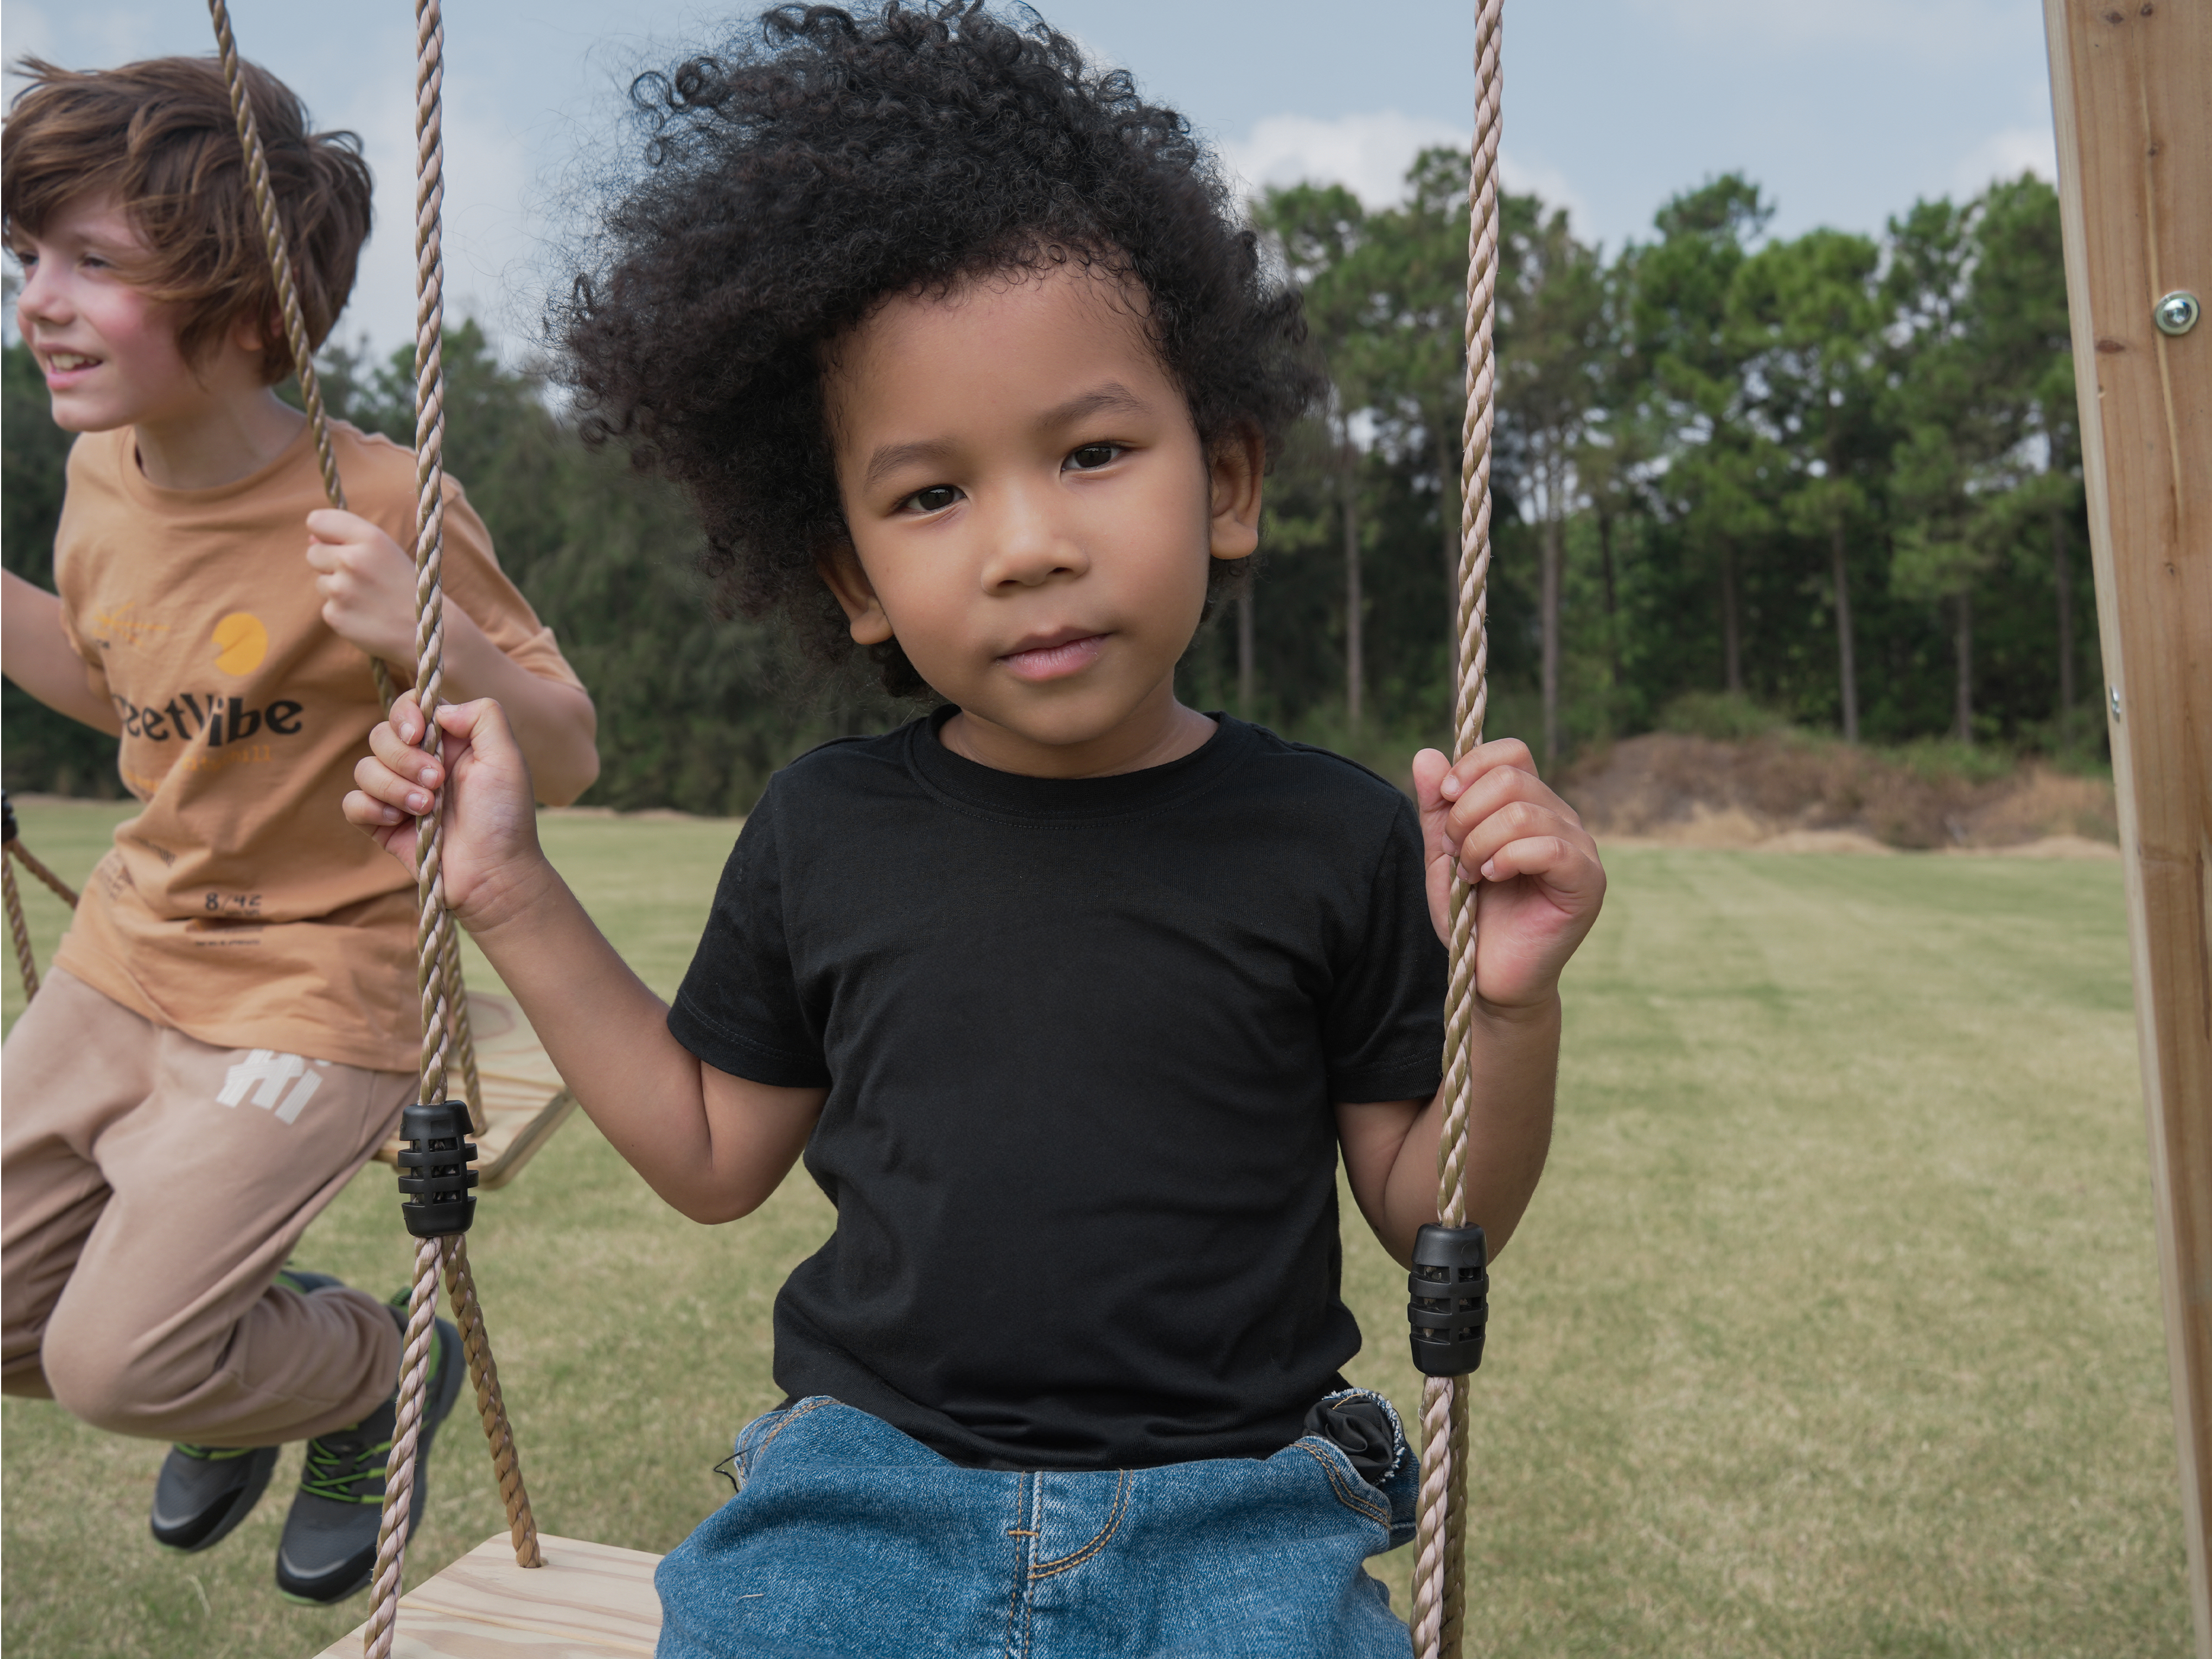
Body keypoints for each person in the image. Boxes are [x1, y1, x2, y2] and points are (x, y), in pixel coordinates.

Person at [347, 6, 1602, 1653]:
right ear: (855, 579)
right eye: (931, 494)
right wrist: (504, 885)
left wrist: (1506, 1007)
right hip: (864, 1498)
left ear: (1225, 479)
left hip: (1236, 1514)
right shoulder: (828, 827)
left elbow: (1440, 1210)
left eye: (1091, 453)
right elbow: (715, 1155)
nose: (1024, 546)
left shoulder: (1337, 833)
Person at [0, 54, 599, 1605]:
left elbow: (572, 750)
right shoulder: (90, 478)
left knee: (118, 1365)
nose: (41, 303)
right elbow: (132, 689)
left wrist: (431, 642)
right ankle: (245, 1336)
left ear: (254, 314)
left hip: (319, 988)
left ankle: (364, 1373)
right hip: (127, 953)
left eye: (94, 266)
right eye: (27, 261)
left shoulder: (386, 499)